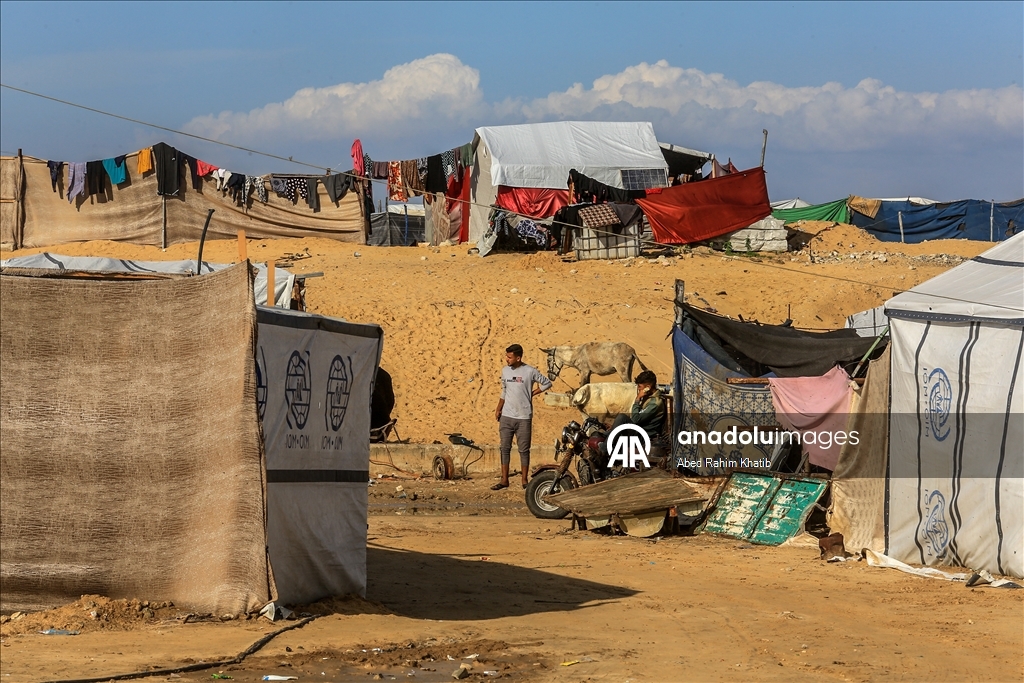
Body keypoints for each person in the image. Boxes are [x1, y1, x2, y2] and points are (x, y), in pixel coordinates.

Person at [493, 344, 552, 490]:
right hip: (506, 416)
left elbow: (547, 383)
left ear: (518, 358)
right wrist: (498, 408)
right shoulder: (505, 371)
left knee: (524, 450)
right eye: (506, 356)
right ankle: (504, 479)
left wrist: (533, 393)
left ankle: (524, 480)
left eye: (509, 357)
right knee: (504, 448)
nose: (506, 359)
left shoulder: (530, 371)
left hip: (524, 417)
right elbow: (504, 391)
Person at [600, 370, 667, 464]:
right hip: (639, 430)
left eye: (640, 387)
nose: (639, 390)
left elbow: (635, 419)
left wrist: (637, 400)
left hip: (644, 435)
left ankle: (604, 449)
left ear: (648, 387)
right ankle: (605, 437)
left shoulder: (655, 403)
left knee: (622, 418)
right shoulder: (649, 399)